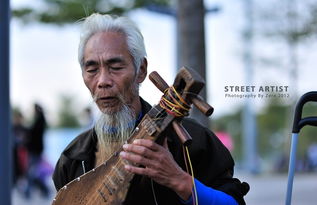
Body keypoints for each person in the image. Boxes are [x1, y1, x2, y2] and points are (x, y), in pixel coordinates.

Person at [52, 13, 249, 205]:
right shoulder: (74, 158)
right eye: (92, 69)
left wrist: (179, 180)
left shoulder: (193, 141)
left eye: (116, 67)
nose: (103, 81)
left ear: (141, 70)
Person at [25, 103, 50, 198]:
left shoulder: (39, 120)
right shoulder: (39, 120)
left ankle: (37, 190)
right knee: (33, 171)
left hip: (35, 150)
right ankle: (42, 190)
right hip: (36, 150)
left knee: (32, 171)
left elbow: (34, 134)